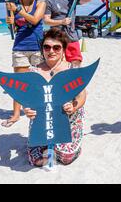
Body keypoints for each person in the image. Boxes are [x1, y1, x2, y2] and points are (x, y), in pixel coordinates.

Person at [24, 28, 86, 166]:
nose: (51, 51)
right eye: (47, 47)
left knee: (65, 157)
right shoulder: (33, 71)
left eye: (56, 47)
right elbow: (26, 99)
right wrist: (26, 109)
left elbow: (82, 95)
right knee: (37, 160)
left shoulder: (73, 70)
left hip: (68, 119)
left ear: (63, 50)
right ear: (42, 50)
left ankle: (72, 145)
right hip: (42, 120)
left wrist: (74, 106)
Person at [4, 0, 45, 127]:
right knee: (19, 84)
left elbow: (34, 20)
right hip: (20, 46)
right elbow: (14, 28)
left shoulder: (41, 3)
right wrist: (10, 21)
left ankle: (40, 110)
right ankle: (15, 114)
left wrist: (18, 10)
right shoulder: (12, 5)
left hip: (37, 47)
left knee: (38, 83)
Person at [44, 0, 92, 67]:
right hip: (56, 38)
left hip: (71, 36)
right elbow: (46, 20)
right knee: (57, 64)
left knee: (76, 62)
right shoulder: (49, 2)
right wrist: (61, 21)